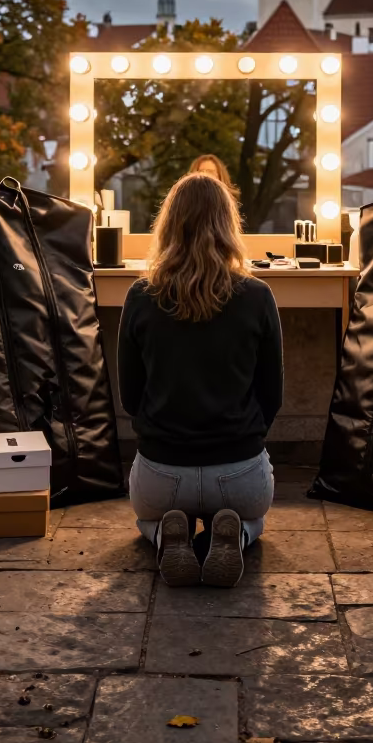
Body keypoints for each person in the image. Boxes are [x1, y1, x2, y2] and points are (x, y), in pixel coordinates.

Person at [117, 171, 283, 588]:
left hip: (163, 472)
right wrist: (242, 440)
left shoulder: (141, 295)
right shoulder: (258, 296)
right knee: (257, 518)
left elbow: (130, 396)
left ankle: (165, 534)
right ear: (229, 225)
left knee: (144, 518)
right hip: (239, 474)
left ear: (168, 225)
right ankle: (234, 534)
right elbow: (273, 394)